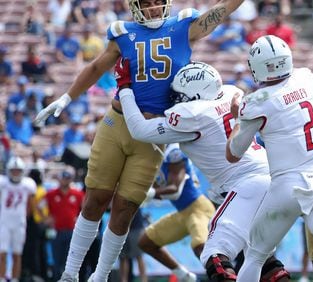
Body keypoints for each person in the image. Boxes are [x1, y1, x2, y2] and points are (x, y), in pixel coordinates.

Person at [33, 0, 248, 280]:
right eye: (147, 4)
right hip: (117, 122)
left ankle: (100, 276)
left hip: (155, 132)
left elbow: (221, 11)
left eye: (158, 3)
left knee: (125, 208)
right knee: (96, 198)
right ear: (135, 6)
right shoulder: (123, 32)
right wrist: (66, 97)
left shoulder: (183, 25)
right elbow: (98, 67)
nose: (153, 9)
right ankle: (71, 273)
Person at [115, 60, 291, 281]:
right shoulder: (230, 93)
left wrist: (124, 88)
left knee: (214, 256)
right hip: (272, 175)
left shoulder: (193, 115)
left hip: (248, 183)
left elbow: (139, 130)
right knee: (261, 258)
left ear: (196, 95)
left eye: (179, 95)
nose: (175, 99)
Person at [225, 35, 313, 282]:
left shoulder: (255, 103)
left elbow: (233, 154)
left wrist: (238, 117)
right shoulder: (305, 76)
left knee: (255, 256)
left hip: (286, 187)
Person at [137, 143, 214, 282]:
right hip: (182, 212)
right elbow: (154, 191)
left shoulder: (174, 152)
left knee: (200, 246)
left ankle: (222, 278)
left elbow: (175, 190)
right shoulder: (151, 158)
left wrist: (152, 193)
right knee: (146, 242)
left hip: (198, 208)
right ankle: (184, 275)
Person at [42, 167, 85, 279]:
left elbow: (85, 209)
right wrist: (46, 218)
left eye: (68, 178)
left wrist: (79, 219)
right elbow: (39, 206)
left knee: (70, 260)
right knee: (57, 258)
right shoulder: (51, 194)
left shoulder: (77, 194)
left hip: (72, 231)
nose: (65, 181)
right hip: (56, 231)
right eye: (63, 178)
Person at [0, 157, 36, 282]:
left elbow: (31, 205)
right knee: (2, 253)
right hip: (4, 221)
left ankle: (15, 279)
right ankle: (2, 278)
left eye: (18, 170)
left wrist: (26, 217)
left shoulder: (28, 184)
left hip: (19, 222)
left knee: (17, 253)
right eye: (13, 170)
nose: (15, 173)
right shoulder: (3, 182)